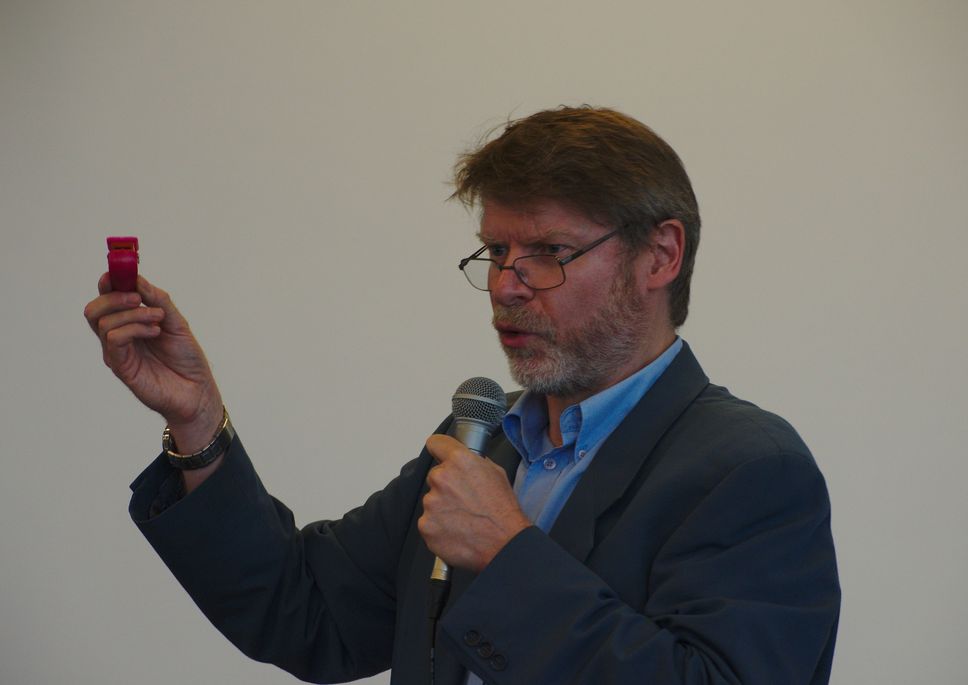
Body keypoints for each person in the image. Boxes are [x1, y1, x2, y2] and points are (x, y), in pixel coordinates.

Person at [85, 106, 840, 684]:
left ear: (660, 256)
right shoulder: (483, 440)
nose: (506, 285)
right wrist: (198, 420)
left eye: (548, 251)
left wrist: (508, 556)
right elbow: (307, 612)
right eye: (497, 250)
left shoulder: (749, 469)